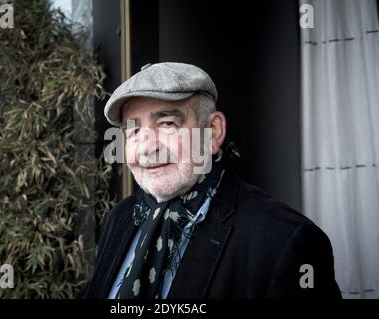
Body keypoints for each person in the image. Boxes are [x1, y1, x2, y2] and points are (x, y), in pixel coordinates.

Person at [85, 62, 341, 299]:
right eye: (134, 130)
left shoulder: (285, 241)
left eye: (167, 124)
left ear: (213, 132)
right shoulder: (121, 218)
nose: (146, 148)